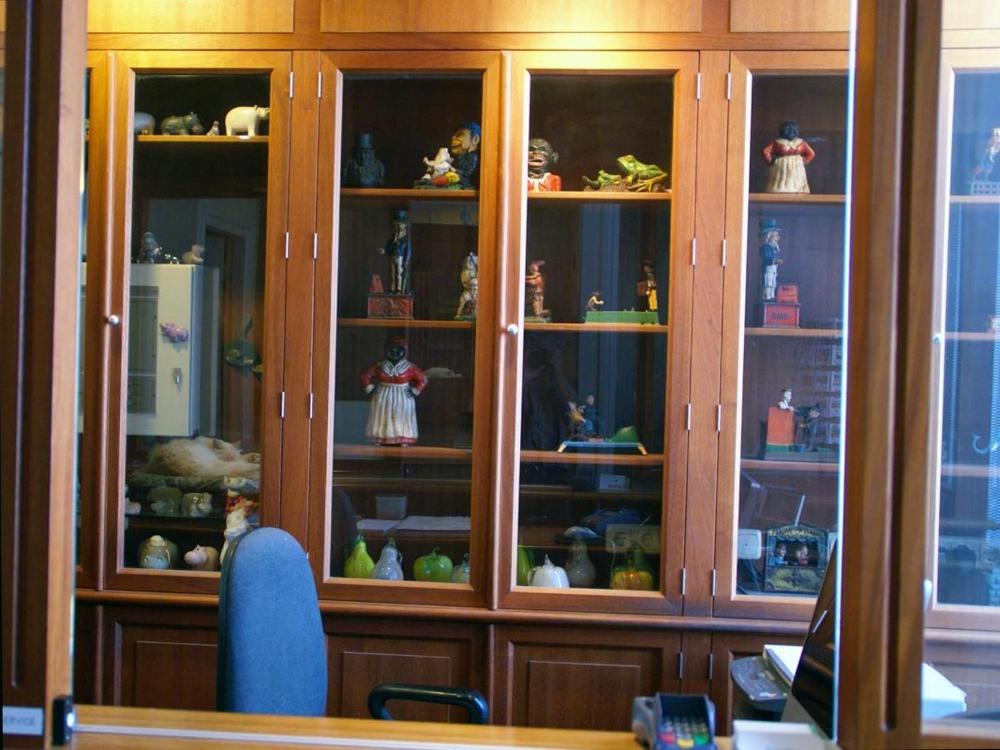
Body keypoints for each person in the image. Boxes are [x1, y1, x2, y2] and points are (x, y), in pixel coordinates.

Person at [359, 337, 427, 446]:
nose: (394, 352)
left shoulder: (410, 367)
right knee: (382, 416)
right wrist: (370, 388)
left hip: (403, 396)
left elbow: (422, 379)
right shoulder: (380, 366)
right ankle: (380, 437)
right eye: (391, 349)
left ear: (404, 351)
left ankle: (403, 438)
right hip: (383, 395)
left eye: (398, 349)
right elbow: (365, 376)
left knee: (401, 416)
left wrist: (415, 390)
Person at [762, 120, 816, 193]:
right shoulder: (777, 142)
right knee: (781, 179)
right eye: (787, 129)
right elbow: (766, 151)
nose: (789, 132)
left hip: (797, 165)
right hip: (781, 164)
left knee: (796, 178)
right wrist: (771, 160)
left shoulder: (801, 143)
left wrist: (804, 161)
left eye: (792, 129)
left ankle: (798, 189)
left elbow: (811, 153)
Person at [378, 209, 412, 294]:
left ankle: (398, 289)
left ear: (404, 226)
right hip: (392, 257)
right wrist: (384, 251)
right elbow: (388, 248)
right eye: (396, 225)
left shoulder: (405, 240)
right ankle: (392, 289)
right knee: (392, 274)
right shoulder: (392, 239)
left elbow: (408, 251)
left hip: (400, 258)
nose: (398, 227)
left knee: (398, 275)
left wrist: (406, 261)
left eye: (400, 225)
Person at [449, 121, 481, 188]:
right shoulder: (460, 157)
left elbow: (468, 173)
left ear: (475, 139)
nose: (453, 138)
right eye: (454, 135)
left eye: (460, 135)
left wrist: (454, 170)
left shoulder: (472, 157)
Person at [759, 219, 782, 301]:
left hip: (773, 270)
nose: (777, 238)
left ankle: (771, 297)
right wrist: (774, 261)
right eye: (776, 236)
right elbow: (766, 259)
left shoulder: (774, 248)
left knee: (773, 283)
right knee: (768, 283)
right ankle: (767, 297)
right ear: (770, 236)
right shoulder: (765, 248)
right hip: (768, 270)